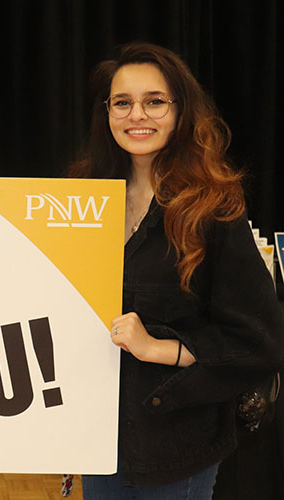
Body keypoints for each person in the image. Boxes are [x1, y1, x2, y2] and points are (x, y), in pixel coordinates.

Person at [69, 41, 284, 499]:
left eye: (154, 102)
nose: (136, 116)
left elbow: (256, 343)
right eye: (122, 103)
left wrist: (157, 348)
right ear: (105, 113)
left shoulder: (214, 209)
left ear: (180, 110)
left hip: (177, 443)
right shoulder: (82, 200)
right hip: (98, 435)